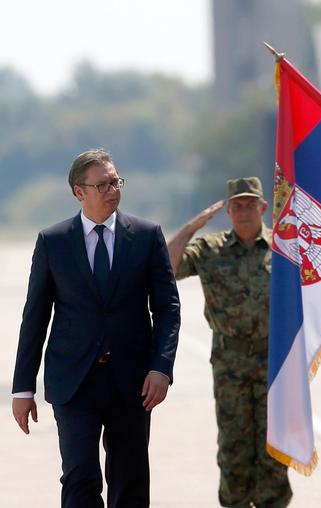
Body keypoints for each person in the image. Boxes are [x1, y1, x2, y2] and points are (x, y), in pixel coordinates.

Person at [10, 148, 181, 507]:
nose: (113, 190)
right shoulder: (53, 242)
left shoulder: (148, 237)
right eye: (102, 185)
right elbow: (35, 316)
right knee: (80, 478)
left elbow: (167, 308)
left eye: (116, 182)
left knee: (130, 481)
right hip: (74, 381)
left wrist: (161, 367)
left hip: (133, 382)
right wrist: (23, 387)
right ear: (79, 192)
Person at [168, 177, 291, 508]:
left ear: (263, 208)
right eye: (237, 205)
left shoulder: (284, 249)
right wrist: (191, 228)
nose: (244, 211)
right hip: (230, 364)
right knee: (234, 449)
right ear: (227, 210)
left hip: (274, 362)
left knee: (275, 450)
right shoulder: (211, 250)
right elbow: (168, 266)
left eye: (251, 204)